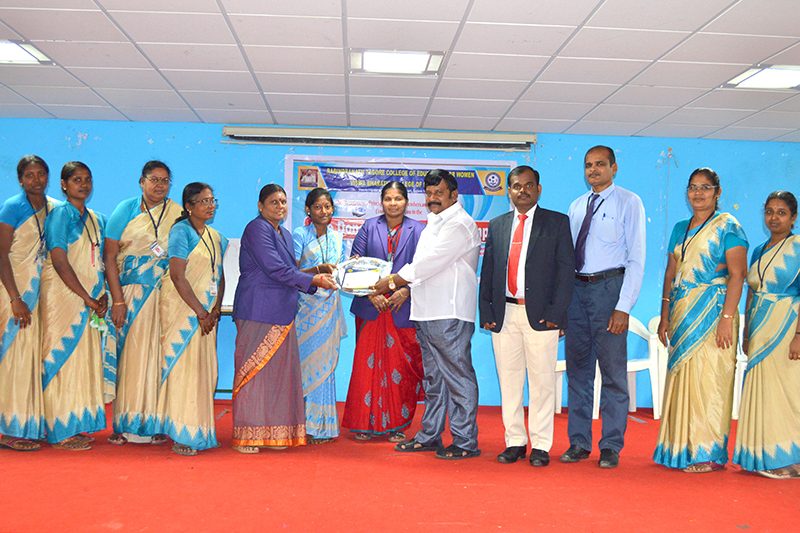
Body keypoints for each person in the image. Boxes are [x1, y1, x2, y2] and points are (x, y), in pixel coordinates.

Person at [372, 169, 482, 460]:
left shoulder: (460, 223)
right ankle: (430, 434)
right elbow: (422, 266)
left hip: (449, 311)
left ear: (454, 195)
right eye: (429, 193)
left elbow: (432, 262)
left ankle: (465, 440)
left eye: (439, 193)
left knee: (457, 376)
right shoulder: (433, 222)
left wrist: (393, 281)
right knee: (434, 378)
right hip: (425, 311)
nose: (433, 198)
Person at [479, 166, 575, 466]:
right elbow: (488, 271)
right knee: (509, 382)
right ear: (509, 190)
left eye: (529, 185)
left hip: (542, 317)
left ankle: (541, 445)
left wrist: (557, 314)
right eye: (516, 186)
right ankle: (515, 441)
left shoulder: (557, 223)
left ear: (538, 189)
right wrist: (486, 311)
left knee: (542, 382)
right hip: (504, 314)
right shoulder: (497, 225)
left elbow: (565, 272)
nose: (522, 190)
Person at [231, 184, 336, 454]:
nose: (280, 207)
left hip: (283, 311)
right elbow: (275, 269)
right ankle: (249, 435)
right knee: (254, 372)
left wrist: (317, 271)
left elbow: (290, 271)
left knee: (278, 376)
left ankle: (275, 434)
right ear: (260, 206)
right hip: (258, 310)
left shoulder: (285, 234)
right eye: (273, 202)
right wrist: (315, 279)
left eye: (283, 202)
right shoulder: (256, 229)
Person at [655, 168, 747, 473]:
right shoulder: (680, 228)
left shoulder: (728, 226)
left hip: (714, 313)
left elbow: (738, 275)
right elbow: (671, 273)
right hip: (683, 313)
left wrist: (727, 319)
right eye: (693, 187)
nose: (698, 193)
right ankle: (680, 449)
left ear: (717, 192)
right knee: (683, 378)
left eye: (705, 187)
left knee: (710, 382)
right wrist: (665, 315)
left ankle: (707, 453)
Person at [562, 146, 646, 469]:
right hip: (576, 292)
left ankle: (610, 445)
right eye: (588, 165)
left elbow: (636, 258)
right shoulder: (576, 206)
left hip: (609, 291)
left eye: (600, 164)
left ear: (614, 168)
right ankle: (578, 443)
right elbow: (567, 256)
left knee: (612, 374)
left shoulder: (629, 202)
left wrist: (623, 306)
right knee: (578, 372)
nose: (593, 170)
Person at [104, 161, 182, 446]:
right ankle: (127, 423)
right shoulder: (125, 209)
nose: (160, 185)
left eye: (165, 180)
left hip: (166, 295)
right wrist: (117, 300)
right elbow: (109, 256)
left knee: (159, 358)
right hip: (131, 295)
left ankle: (156, 423)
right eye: (154, 179)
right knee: (133, 357)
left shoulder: (177, 213)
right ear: (142, 181)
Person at [341, 181, 426, 442]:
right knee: (366, 369)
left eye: (398, 198)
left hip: (403, 307)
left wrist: (406, 291)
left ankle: (398, 424)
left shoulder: (419, 230)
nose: (393, 203)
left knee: (401, 368)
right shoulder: (369, 227)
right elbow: (354, 266)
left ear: (406, 202)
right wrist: (372, 294)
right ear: (381, 202)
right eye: (388, 199)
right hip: (371, 308)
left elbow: (425, 268)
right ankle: (363, 424)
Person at [40, 161, 108, 451]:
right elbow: (59, 260)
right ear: (64, 185)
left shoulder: (96, 219)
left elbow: (102, 261)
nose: (83, 184)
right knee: (61, 359)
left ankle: (76, 424)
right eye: (76, 180)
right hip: (63, 296)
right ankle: (58, 430)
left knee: (82, 362)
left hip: (89, 298)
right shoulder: (60, 215)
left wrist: (102, 295)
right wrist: (86, 297)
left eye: (87, 179)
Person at [156, 182, 227, 456]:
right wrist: (200, 312)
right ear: (188, 206)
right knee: (184, 373)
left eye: (212, 200)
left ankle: (201, 430)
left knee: (204, 373)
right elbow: (177, 276)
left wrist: (215, 309)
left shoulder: (215, 236)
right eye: (204, 201)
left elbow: (219, 275)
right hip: (185, 313)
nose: (210, 206)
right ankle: (182, 435)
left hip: (207, 317)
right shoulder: (180, 231)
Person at [733, 191, 800, 479]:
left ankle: (792, 459)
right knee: (764, 393)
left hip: (786, 328)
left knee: (787, 394)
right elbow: (751, 291)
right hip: (760, 329)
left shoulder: (798, 247)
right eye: (770, 211)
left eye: (781, 212)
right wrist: (747, 332)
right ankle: (764, 456)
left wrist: (799, 334)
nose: (774, 217)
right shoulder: (759, 250)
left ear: (793, 218)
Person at [0, 156, 56, 452]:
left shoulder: (53, 208)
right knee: (14, 360)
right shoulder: (12, 207)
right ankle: (7, 430)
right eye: (30, 175)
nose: (36, 180)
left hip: (39, 293)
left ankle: (29, 425)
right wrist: (15, 298)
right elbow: (2, 255)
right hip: (15, 294)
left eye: (41, 174)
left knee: (32, 361)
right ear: (21, 180)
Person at [293, 187, 347, 443]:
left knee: (325, 366)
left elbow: (341, 274)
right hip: (306, 310)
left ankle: (321, 426)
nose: (323, 211)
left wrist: (353, 269)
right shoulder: (299, 235)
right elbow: (292, 272)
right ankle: (301, 424)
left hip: (329, 310)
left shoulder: (338, 237)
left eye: (327, 207)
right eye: (317, 207)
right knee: (305, 365)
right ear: (308, 210)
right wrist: (318, 269)